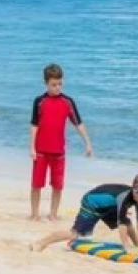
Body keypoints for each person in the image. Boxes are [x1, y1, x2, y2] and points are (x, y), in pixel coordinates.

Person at [29, 62, 93, 221]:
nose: (57, 87)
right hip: (40, 151)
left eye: (60, 84)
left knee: (57, 186)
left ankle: (53, 214)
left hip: (58, 152)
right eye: (53, 85)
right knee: (36, 185)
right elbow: (34, 125)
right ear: (45, 83)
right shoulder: (39, 101)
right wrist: (32, 147)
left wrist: (87, 143)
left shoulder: (67, 102)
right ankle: (35, 214)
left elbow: (78, 123)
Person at [31, 174, 138, 252]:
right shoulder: (124, 198)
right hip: (91, 204)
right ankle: (41, 243)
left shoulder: (136, 198)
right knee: (75, 234)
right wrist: (125, 246)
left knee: (127, 221)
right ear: (136, 191)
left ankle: (137, 245)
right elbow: (121, 225)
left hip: (108, 206)